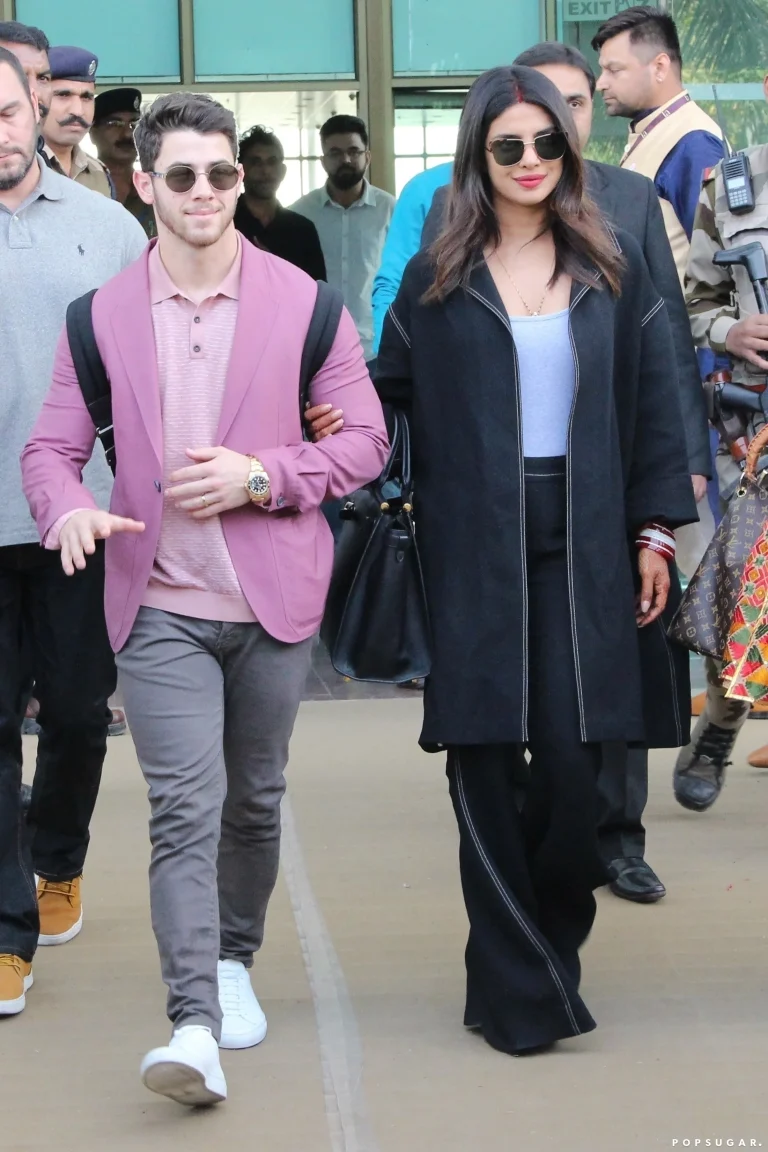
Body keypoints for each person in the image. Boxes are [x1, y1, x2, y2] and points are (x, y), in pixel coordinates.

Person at [22, 92, 388, 1107]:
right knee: (185, 806)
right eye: (180, 175)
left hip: (272, 603)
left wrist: (261, 477)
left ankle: (232, 960)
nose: (204, 192)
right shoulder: (99, 317)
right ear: (143, 182)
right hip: (156, 603)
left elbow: (365, 441)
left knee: (254, 798)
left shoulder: (306, 305)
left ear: (239, 179)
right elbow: (49, 450)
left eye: (220, 173)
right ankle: (192, 1021)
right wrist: (67, 510)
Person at [375, 64, 696, 1055]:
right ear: (478, 155)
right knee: (482, 762)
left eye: (546, 141)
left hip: (588, 535)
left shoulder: (611, 266)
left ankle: (537, 952)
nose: (529, 161)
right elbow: (385, 392)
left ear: (568, 145)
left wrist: (654, 530)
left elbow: (655, 403)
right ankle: (521, 990)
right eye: (507, 145)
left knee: (572, 772)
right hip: (473, 542)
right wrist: (335, 426)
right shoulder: (436, 278)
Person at [0, 47, 147, 1016]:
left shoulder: (108, 228)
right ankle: (5, 931)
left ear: (35, 107)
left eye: (7, 110)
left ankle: (57, 858)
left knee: (80, 714)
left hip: (82, 519)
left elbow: (154, 365)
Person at [676, 78, 768, 807]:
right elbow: (693, 300)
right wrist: (730, 331)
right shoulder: (734, 187)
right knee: (749, 585)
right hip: (760, 425)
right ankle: (720, 726)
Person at [592, 6, 723, 285]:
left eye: (614, 70)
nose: (601, 83)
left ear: (660, 67)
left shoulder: (694, 142)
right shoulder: (657, 130)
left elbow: (719, 262)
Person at [292, 114, 394, 360]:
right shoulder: (300, 214)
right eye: (335, 153)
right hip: (318, 347)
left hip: (376, 348)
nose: (346, 159)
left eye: (354, 151)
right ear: (323, 161)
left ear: (367, 157)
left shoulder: (391, 210)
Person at [234, 124, 325, 279]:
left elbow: (316, 288)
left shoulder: (302, 230)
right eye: (256, 162)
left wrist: (274, 269)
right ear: (240, 171)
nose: (265, 171)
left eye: (272, 162)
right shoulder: (225, 224)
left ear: (283, 171)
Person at [42, 45, 113, 197]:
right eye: (63, 95)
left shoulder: (98, 173)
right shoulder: (14, 169)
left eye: (86, 97)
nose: (78, 111)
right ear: (37, 99)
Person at [91, 86, 156, 237]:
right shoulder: (81, 185)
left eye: (134, 124)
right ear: (93, 133)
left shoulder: (154, 188)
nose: (127, 134)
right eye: (114, 124)